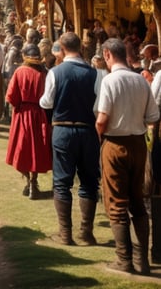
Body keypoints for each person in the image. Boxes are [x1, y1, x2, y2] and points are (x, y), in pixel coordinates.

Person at [96, 36, 160, 275]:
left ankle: (124, 260)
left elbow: (102, 119)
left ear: (107, 55)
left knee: (116, 204)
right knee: (138, 202)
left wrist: (99, 136)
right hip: (138, 143)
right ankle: (142, 261)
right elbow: (153, 117)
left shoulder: (110, 80)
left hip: (115, 142)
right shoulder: (141, 80)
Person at [39, 30, 100, 248]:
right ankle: (87, 232)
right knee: (89, 181)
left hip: (63, 129)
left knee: (62, 182)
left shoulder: (56, 72)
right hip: (88, 130)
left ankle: (65, 234)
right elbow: (99, 105)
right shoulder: (95, 73)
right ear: (81, 48)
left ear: (62, 50)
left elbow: (46, 102)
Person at [5, 43, 52, 199]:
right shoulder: (44, 74)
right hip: (39, 113)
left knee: (21, 149)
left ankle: (29, 182)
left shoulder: (20, 72)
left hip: (22, 113)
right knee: (36, 150)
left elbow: (11, 96)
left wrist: (18, 107)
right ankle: (33, 182)